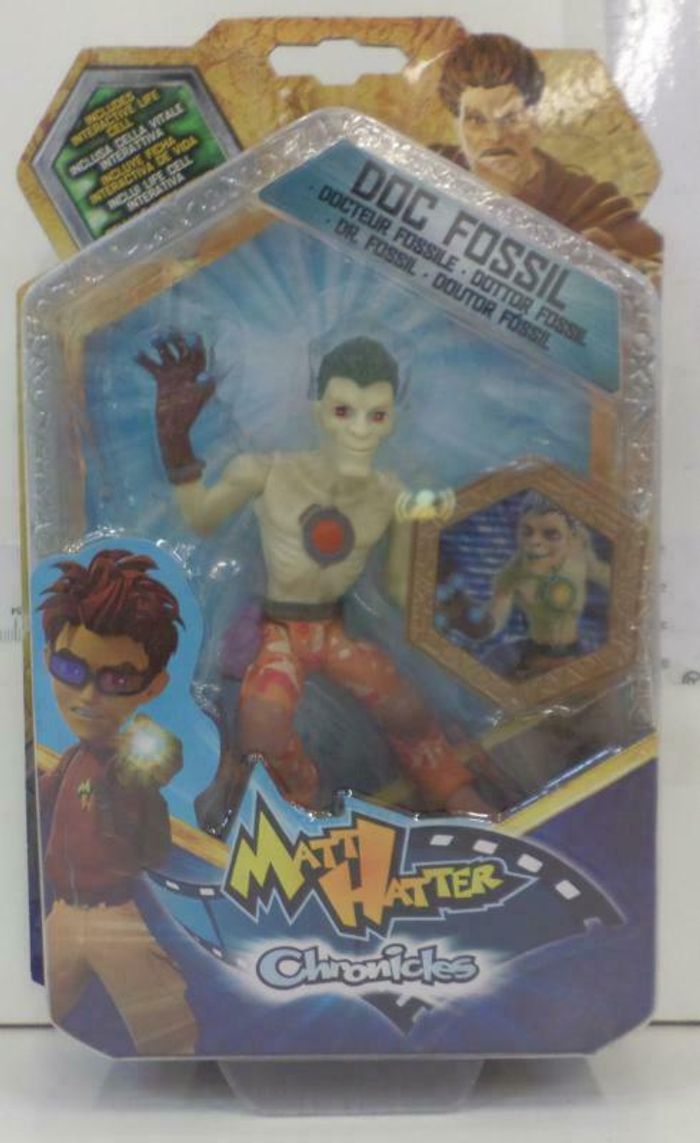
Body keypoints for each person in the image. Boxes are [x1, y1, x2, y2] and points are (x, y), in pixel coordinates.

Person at [137, 334, 494, 823]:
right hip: (280, 632)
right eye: (344, 411)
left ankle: (451, 787)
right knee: (262, 727)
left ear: (393, 418)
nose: (360, 430)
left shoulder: (394, 497)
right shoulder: (266, 473)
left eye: (377, 415)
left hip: (333, 632)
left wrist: (460, 615)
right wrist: (175, 442)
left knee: (407, 710)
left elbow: (397, 587)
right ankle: (301, 805)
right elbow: (201, 518)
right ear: (318, 408)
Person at [38, 548, 198, 1055]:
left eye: (118, 680)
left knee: (168, 1030)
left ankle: (184, 1078)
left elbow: (159, 760)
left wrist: (143, 765)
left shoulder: (126, 760)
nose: (89, 696)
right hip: (61, 914)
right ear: (47, 658)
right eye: (70, 667)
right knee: (44, 1004)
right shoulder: (66, 760)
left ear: (153, 686)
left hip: (115, 918)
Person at [435, 33, 662, 281]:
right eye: (476, 120)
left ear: (535, 120)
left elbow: (659, 271)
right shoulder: (431, 170)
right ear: (457, 125)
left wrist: (624, 268)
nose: (495, 136)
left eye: (511, 117)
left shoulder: (589, 204)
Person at [438, 493, 611, 676]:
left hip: (576, 655)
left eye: (550, 534)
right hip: (532, 656)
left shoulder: (579, 558)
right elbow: (492, 621)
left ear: (571, 538)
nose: (534, 542)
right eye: (527, 532)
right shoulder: (514, 573)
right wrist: (464, 619)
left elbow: (609, 578)